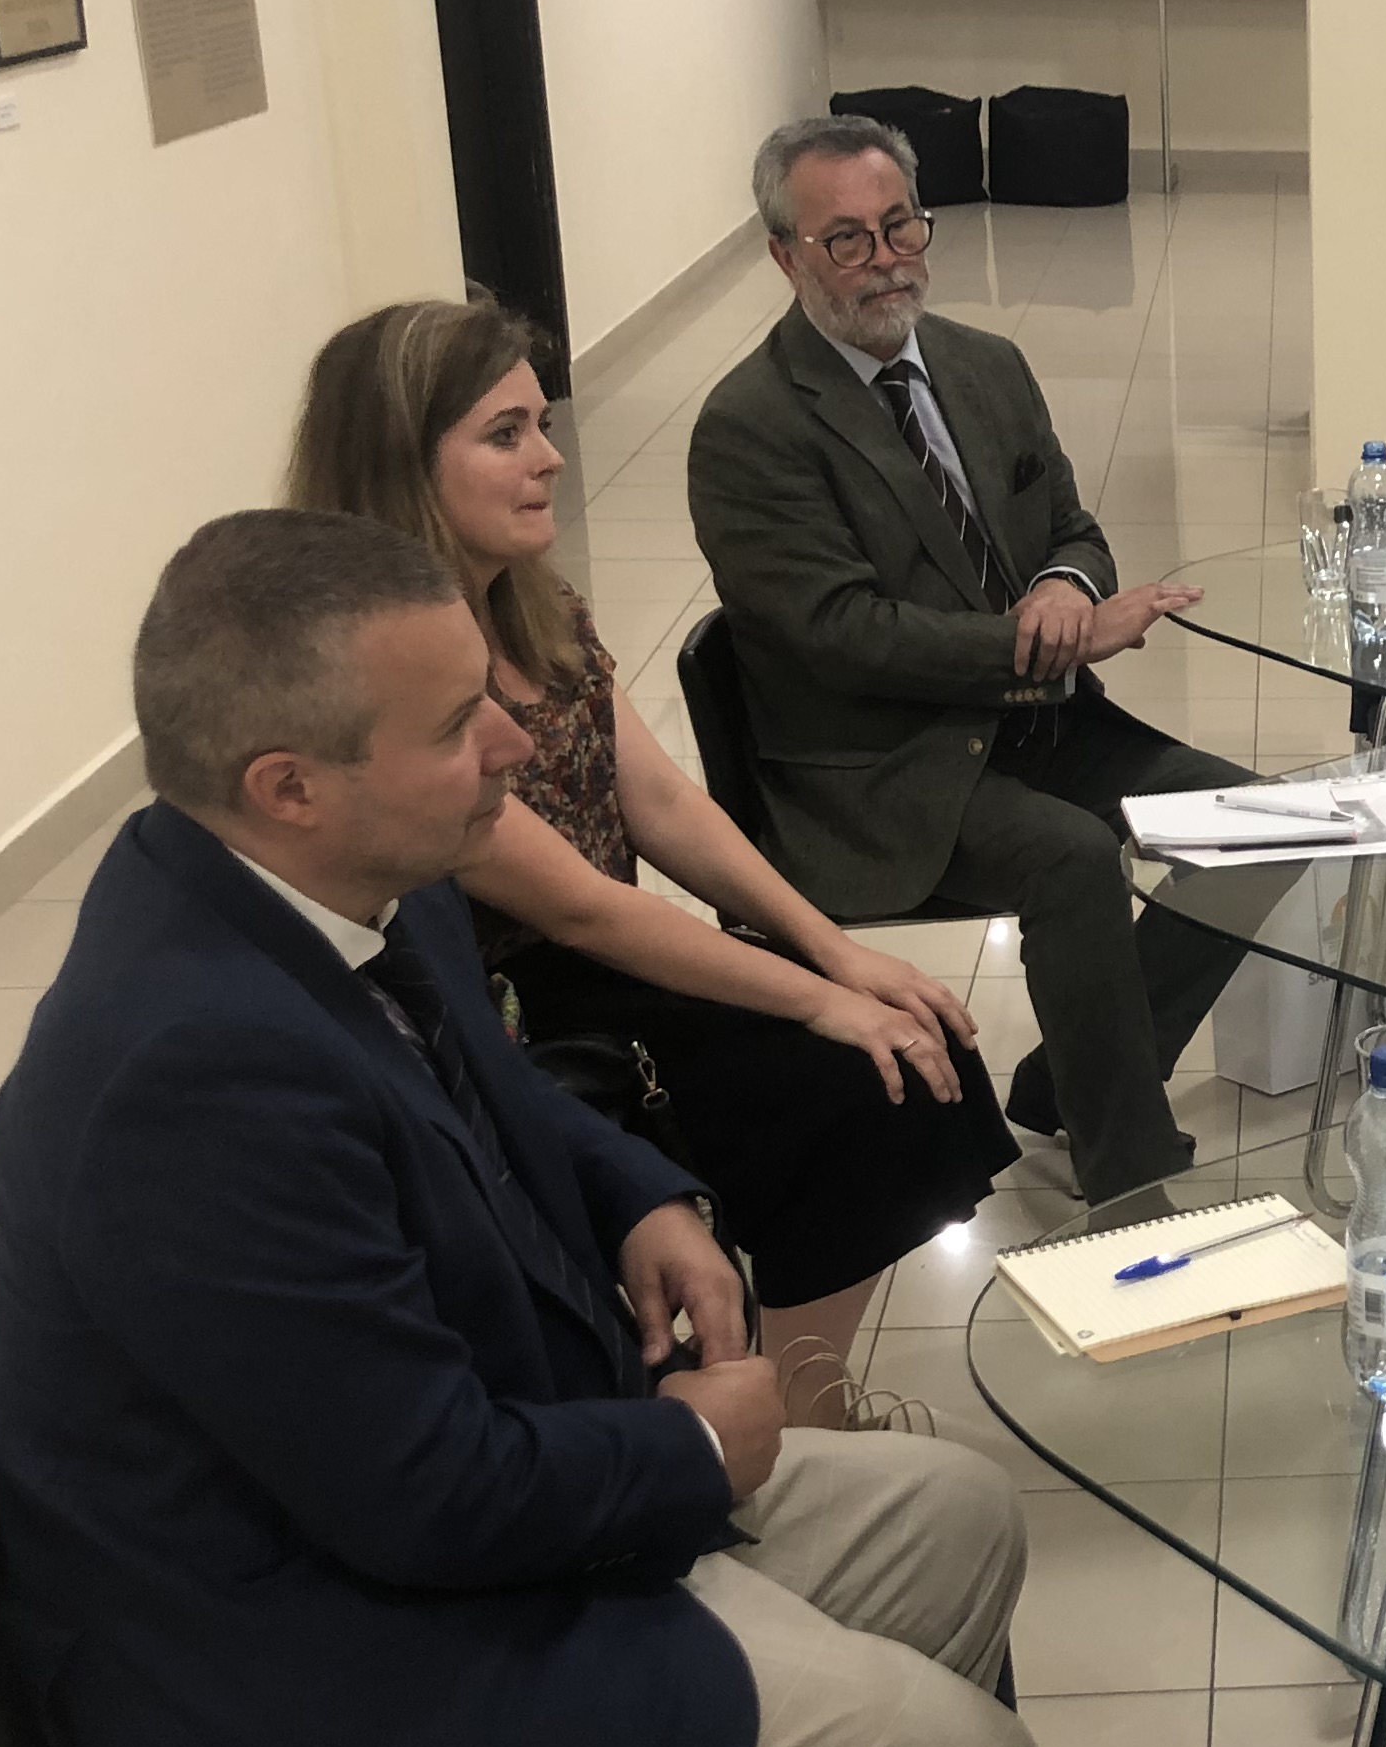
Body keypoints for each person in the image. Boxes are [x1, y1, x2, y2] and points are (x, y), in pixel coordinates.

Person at [0, 513, 1098, 1747]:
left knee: (947, 1524)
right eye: (457, 725)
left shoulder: (352, 898)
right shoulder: (186, 1072)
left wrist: (648, 1197)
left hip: (413, 1553)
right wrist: (703, 1452)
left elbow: (513, 1114)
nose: (515, 742)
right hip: (309, 1694)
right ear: (288, 781)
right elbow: (428, 1501)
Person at [290, 297, 1015, 1426]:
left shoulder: (535, 606)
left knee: (916, 1047)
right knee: (852, 1075)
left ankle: (800, 1395)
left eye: (541, 424)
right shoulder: (394, 669)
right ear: (403, 464)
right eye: (505, 434)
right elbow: (582, 907)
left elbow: (663, 802)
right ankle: (778, 1416)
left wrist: (834, 951)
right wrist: (822, 998)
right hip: (503, 1005)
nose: (550, 458)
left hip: (596, 963)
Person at [692, 112, 1249, 1202]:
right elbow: (841, 634)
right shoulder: (751, 427)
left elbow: (1072, 529)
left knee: (1263, 830)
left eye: (900, 223)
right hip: (885, 766)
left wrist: (1067, 586)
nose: (886, 258)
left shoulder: (984, 365)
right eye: (846, 239)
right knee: (1072, 856)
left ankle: (1069, 1081)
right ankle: (1131, 1180)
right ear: (785, 257)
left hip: (1033, 724)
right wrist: (1037, 648)